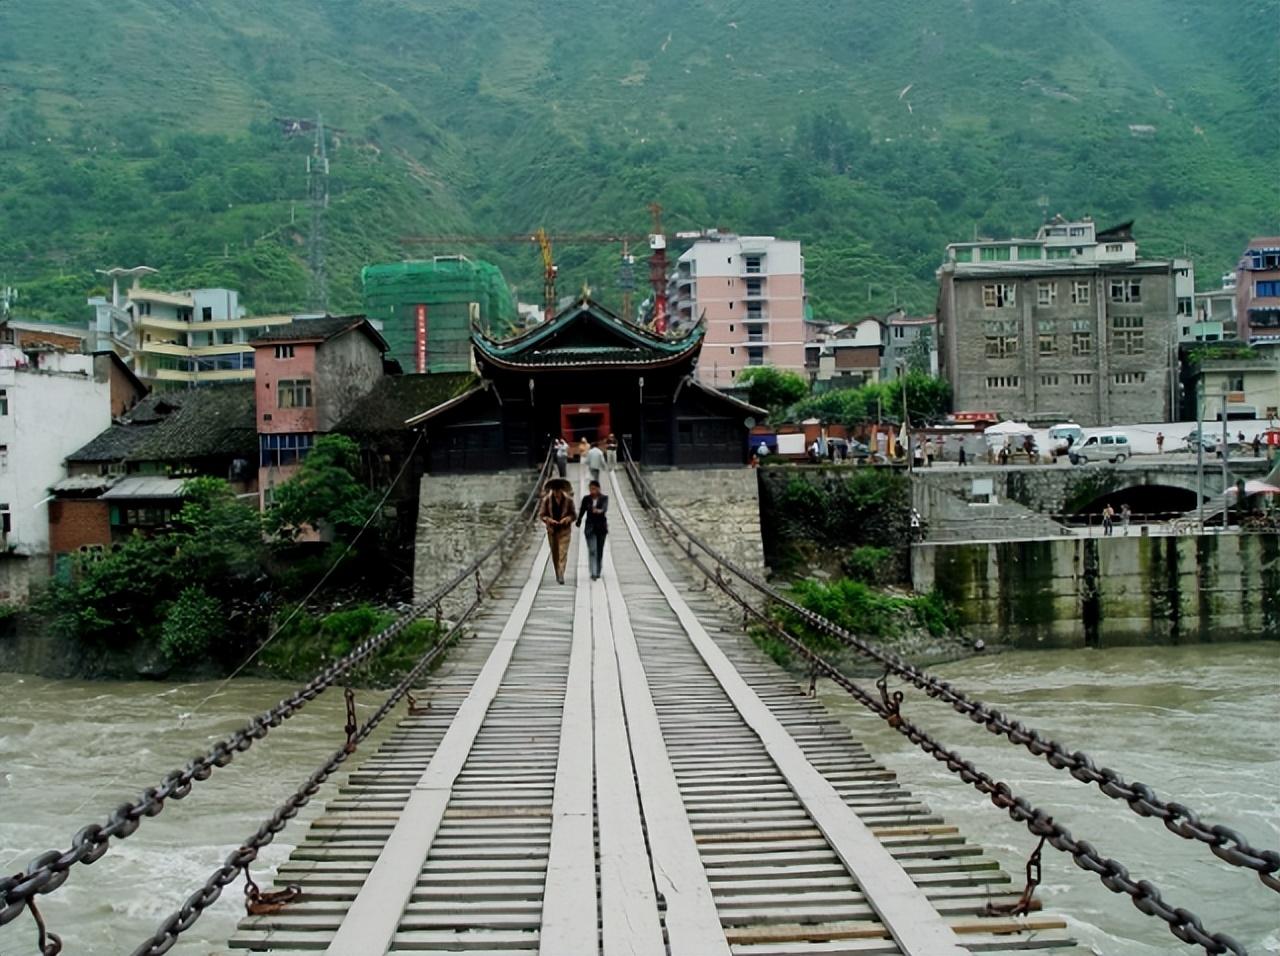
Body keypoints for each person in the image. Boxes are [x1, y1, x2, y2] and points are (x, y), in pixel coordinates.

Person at [538, 478, 575, 585]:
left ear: (561, 490)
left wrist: (567, 519)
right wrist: (549, 520)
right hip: (552, 531)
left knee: (563, 552)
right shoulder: (547, 500)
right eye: (554, 490)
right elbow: (542, 515)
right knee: (555, 554)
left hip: (564, 530)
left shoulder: (568, 500)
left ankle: (561, 573)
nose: (556, 493)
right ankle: (558, 572)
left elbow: (574, 515)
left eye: (558, 490)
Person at [576, 480, 609, 581]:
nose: (592, 491)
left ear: (598, 489)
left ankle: (598, 570)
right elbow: (582, 510)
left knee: (599, 550)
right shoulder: (586, 499)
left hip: (601, 528)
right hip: (590, 528)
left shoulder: (604, 498)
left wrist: (599, 511)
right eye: (591, 489)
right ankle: (593, 572)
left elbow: (604, 508)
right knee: (592, 550)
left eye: (594, 489)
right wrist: (579, 520)